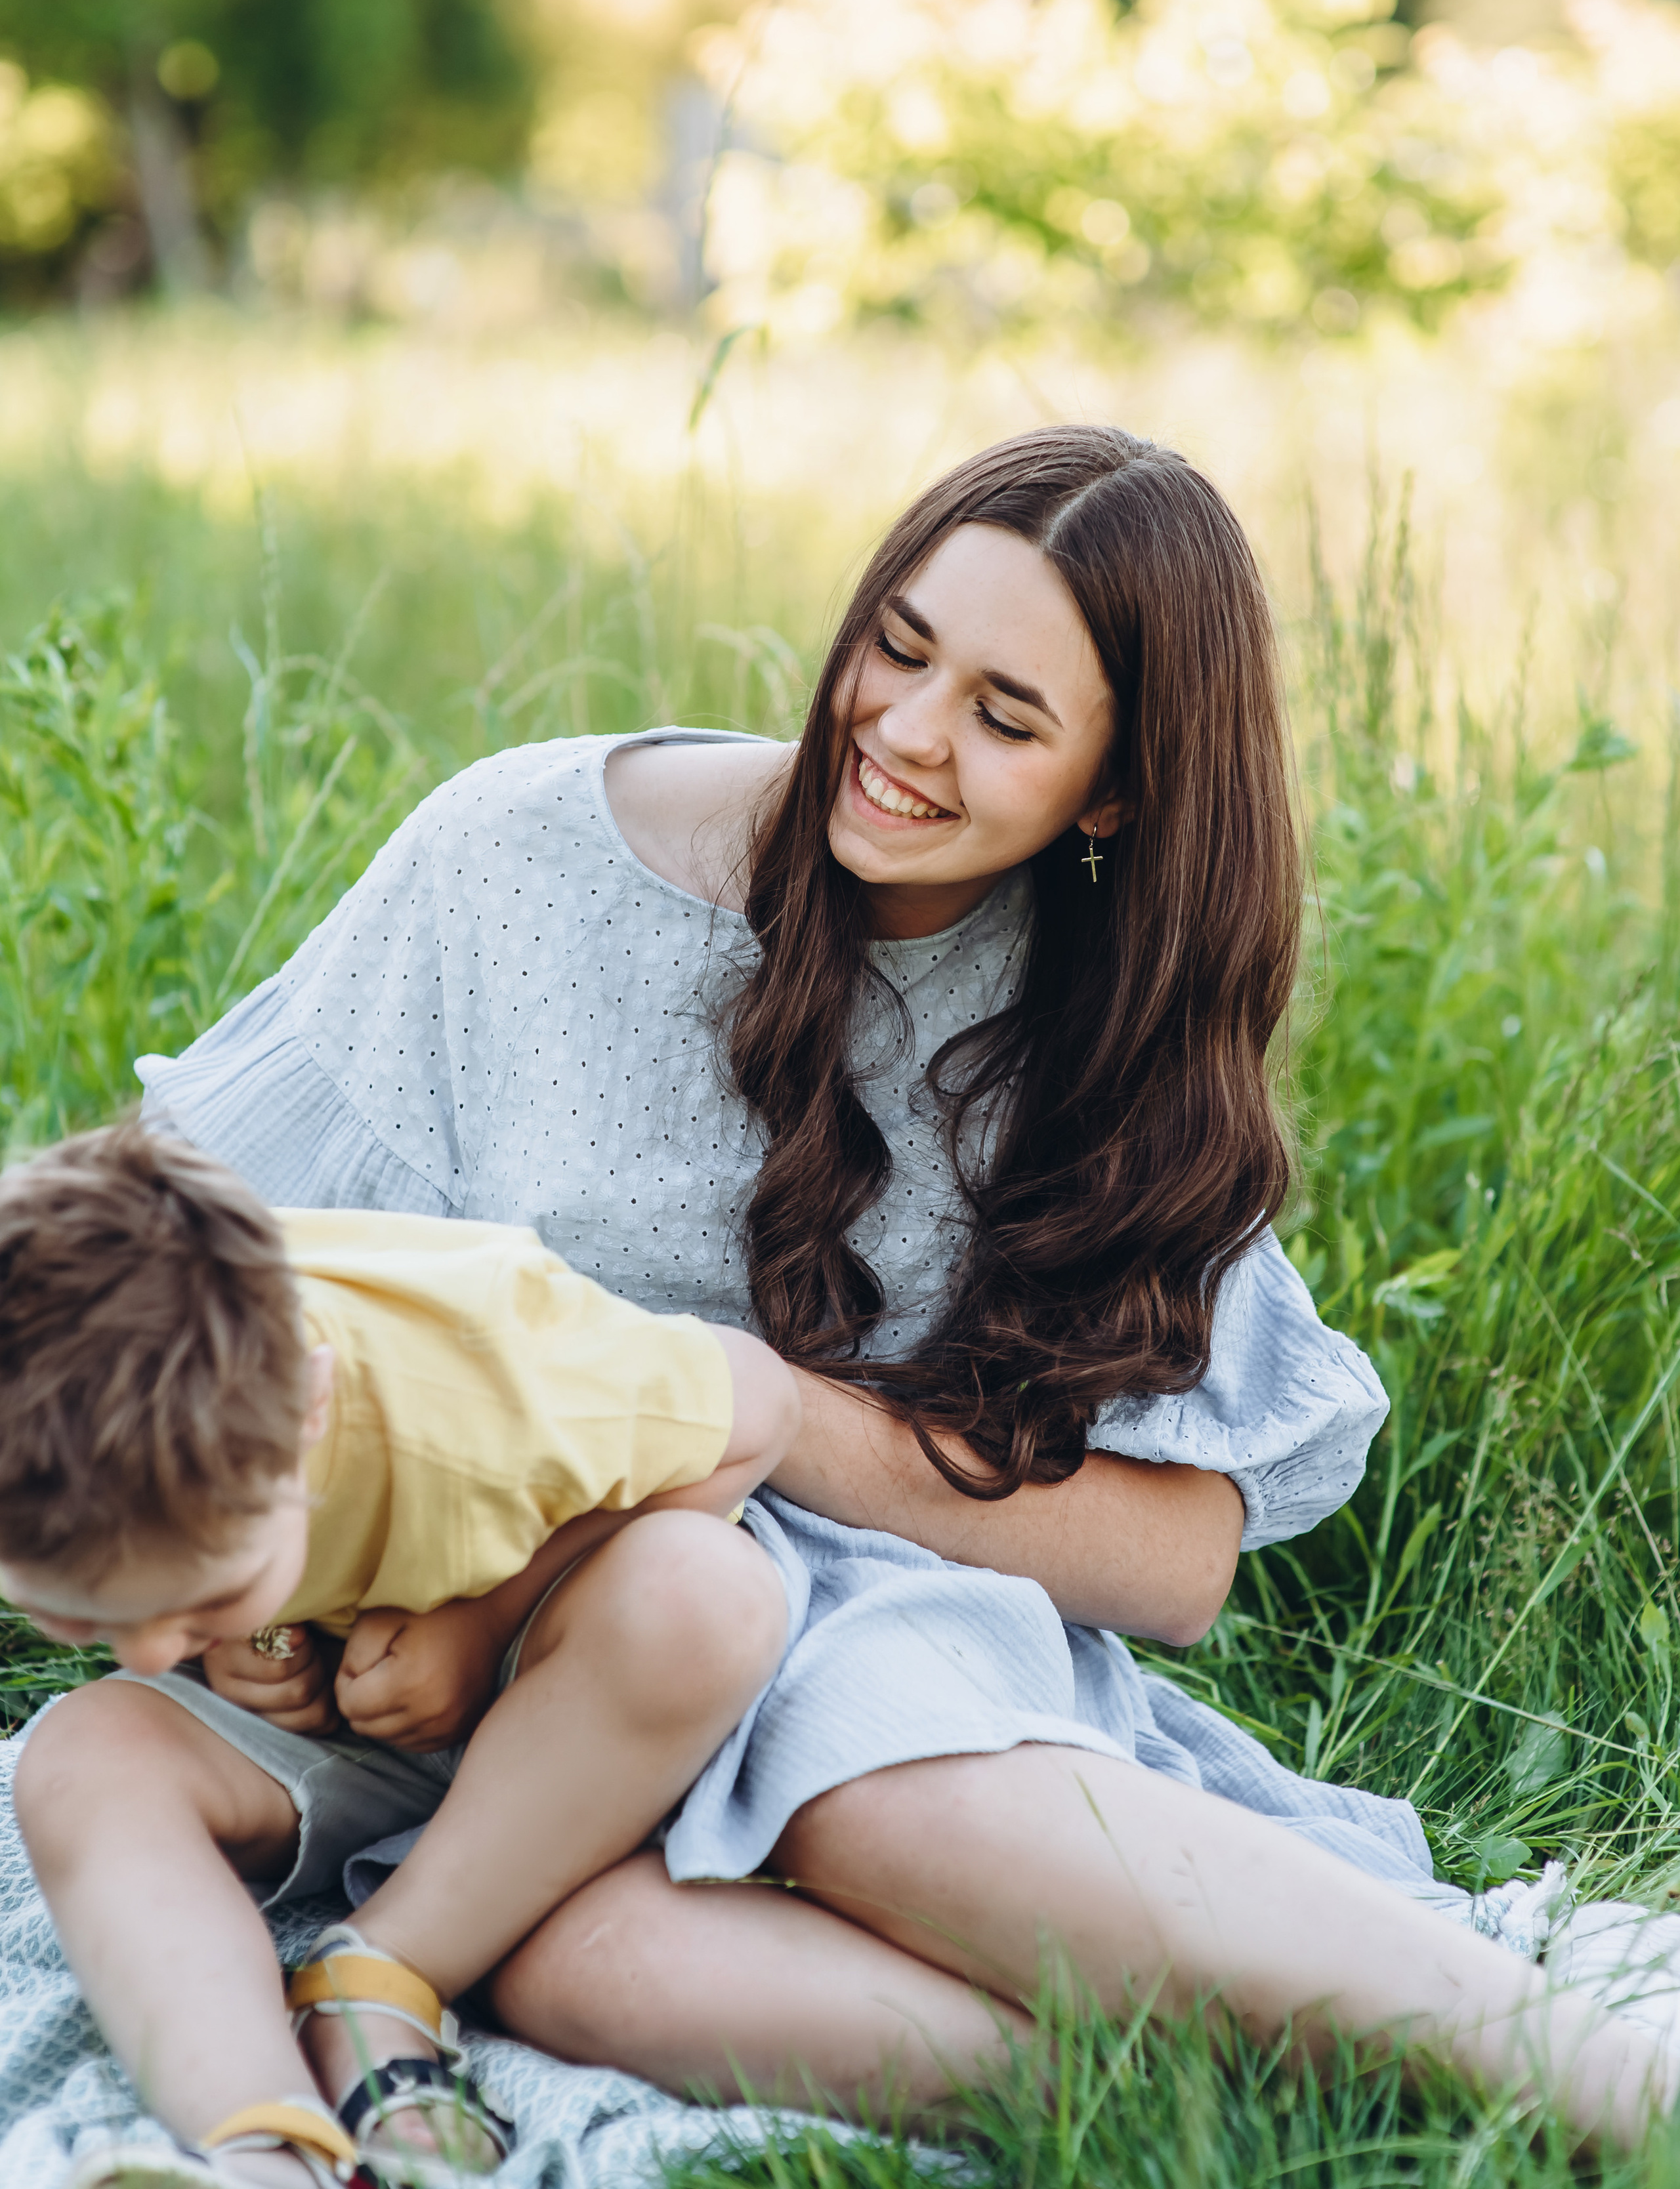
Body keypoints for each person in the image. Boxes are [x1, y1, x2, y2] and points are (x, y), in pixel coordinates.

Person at [136, 425, 1675, 2143]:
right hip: (513, 1664)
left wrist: (773, 1413)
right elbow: (223, 1287)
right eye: (901, 647)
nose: (908, 734)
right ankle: (1257, 2102)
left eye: (1008, 716)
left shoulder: (1102, 1022)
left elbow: (1177, 1563)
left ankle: (1582, 2088)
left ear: (1113, 789)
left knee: (842, 1784)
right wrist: (268, 1605)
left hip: (874, 1619)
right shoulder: (516, 865)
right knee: (578, 1965)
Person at [1, 1121, 797, 2188]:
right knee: (79, 1757)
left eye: (204, 1594)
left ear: (310, 1407)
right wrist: (235, 1636)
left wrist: (483, 1624)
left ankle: (382, 1969)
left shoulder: (486, 1372)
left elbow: (759, 1405)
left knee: (705, 1595)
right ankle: (256, 2133)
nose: (142, 1653)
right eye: (90, 1620)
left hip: (560, 1725)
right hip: (344, 1729)